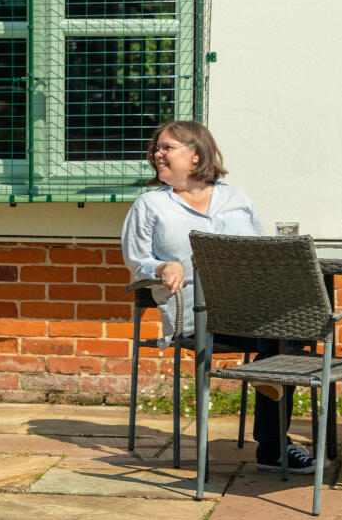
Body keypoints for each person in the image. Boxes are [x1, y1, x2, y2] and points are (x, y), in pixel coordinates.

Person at [120, 120, 313, 473]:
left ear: (196, 155)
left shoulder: (236, 198)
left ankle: (267, 383)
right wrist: (163, 266)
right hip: (197, 316)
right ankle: (273, 443)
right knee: (282, 341)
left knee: (300, 326)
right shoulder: (150, 205)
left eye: (167, 147)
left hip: (250, 313)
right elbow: (136, 263)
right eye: (156, 149)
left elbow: (260, 252)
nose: (156, 154)